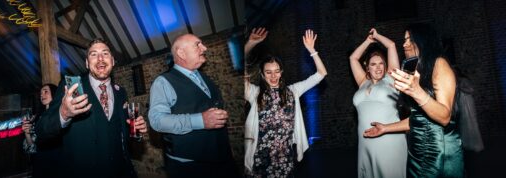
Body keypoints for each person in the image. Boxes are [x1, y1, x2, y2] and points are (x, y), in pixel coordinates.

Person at [36, 38, 148, 177]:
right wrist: (63, 113)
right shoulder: (72, 86)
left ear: (112, 61)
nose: (100, 58)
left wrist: (136, 131)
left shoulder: (121, 92)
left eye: (105, 53)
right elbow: (41, 130)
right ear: (87, 64)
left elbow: (121, 133)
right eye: (93, 54)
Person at [363, 23, 463, 177]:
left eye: (409, 40)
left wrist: (416, 91)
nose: (404, 44)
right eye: (404, 40)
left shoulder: (439, 64)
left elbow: (444, 117)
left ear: (423, 40)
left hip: (438, 152)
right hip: (418, 152)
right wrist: (385, 128)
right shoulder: (419, 70)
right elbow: (419, 119)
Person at [148, 34, 238, 178]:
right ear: (181, 53)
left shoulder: (205, 78)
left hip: (223, 160)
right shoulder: (163, 82)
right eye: (198, 44)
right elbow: (157, 121)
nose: (204, 48)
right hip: (190, 166)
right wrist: (200, 120)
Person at [242, 29, 327, 177]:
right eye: (268, 72)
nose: (273, 76)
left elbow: (321, 74)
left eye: (277, 71)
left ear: (281, 72)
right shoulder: (254, 93)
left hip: (285, 158)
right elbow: (239, 70)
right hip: (261, 158)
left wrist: (312, 50)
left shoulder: (293, 91)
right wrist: (250, 44)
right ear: (262, 74)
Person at [348, 28, 406, 178]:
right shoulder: (363, 82)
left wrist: (377, 36)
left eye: (381, 63)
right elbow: (353, 58)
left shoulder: (391, 79)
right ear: (367, 67)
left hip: (388, 139)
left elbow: (391, 46)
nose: (378, 67)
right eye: (373, 64)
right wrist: (368, 41)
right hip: (365, 141)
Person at [21, 84, 60, 177]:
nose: (42, 95)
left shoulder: (61, 115)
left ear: (54, 94)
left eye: (46, 91)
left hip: (57, 164)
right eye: (41, 93)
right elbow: (32, 149)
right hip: (40, 164)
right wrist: (27, 134)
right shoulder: (36, 117)